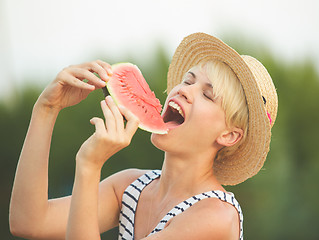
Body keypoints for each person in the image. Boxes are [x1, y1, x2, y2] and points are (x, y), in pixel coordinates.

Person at [9, 32, 278, 240]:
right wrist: (46, 109)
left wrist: (89, 166)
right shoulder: (132, 187)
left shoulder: (215, 216)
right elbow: (28, 221)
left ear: (229, 135)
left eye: (207, 95)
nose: (184, 91)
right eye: (187, 80)